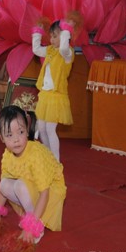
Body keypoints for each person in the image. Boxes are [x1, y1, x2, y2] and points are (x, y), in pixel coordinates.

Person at [0, 105, 66, 247]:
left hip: (50, 193)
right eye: (9, 135)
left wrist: (31, 226)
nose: (16, 140)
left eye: (20, 132)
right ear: (1, 137)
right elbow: (3, 188)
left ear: (27, 130)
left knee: (20, 186)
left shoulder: (36, 155)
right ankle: (30, 215)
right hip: (31, 188)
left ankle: (36, 226)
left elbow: (45, 193)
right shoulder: (7, 155)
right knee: (4, 184)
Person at [31, 19, 75, 161]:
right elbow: (36, 50)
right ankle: (48, 156)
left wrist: (67, 30)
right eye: (51, 36)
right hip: (45, 95)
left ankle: (56, 160)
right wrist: (37, 33)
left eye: (55, 36)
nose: (51, 39)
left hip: (56, 97)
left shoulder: (67, 53)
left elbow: (63, 48)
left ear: (64, 37)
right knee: (42, 128)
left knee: (50, 129)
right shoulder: (50, 50)